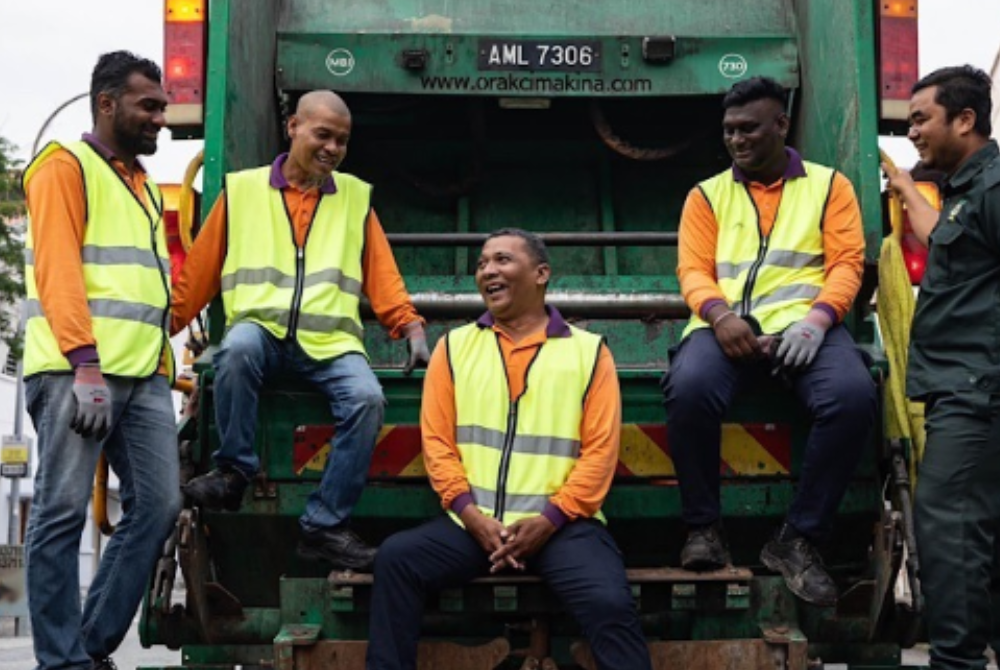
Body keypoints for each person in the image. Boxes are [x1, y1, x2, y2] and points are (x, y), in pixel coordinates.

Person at [366, 229, 652, 670]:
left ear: (541, 274)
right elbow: (438, 445)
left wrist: (549, 519)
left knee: (609, 603)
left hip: (563, 527)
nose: (488, 271)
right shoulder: (453, 349)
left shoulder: (589, 353)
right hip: (474, 525)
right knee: (397, 561)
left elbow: (599, 454)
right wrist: (471, 515)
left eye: (502, 260)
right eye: (482, 264)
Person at [171, 90, 430, 572]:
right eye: (323, 135)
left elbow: (383, 275)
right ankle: (233, 472)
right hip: (263, 332)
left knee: (367, 400)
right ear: (293, 127)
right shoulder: (243, 191)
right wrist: (164, 326)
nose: (333, 148)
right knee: (237, 349)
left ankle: (324, 527)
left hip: (331, 345)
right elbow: (201, 271)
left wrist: (410, 327)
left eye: (343, 141)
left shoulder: (354, 198)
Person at [661, 76, 877, 607]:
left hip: (807, 330)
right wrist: (718, 316)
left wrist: (818, 321)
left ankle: (797, 539)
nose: (736, 140)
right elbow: (691, 270)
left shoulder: (830, 187)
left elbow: (847, 263)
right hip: (727, 328)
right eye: (729, 131)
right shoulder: (706, 195)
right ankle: (703, 530)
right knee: (687, 388)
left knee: (852, 398)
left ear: (781, 125)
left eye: (749, 129)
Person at [21, 51, 182, 670]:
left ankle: (87, 646)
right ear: (107, 103)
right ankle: (60, 661)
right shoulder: (65, 167)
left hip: (142, 378)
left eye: (163, 106)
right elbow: (59, 270)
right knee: (60, 513)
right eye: (149, 105)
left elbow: (149, 289)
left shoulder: (141, 187)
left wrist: (164, 367)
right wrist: (84, 362)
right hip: (76, 372)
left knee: (160, 505)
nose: (161, 118)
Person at [884, 64, 999, 670]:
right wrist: (905, 189)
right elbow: (952, 243)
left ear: (965, 119)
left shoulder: (995, 187)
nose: (913, 132)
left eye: (921, 118)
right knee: (978, 533)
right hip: (964, 389)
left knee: (948, 528)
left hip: (978, 391)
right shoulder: (965, 192)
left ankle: (956, 663)